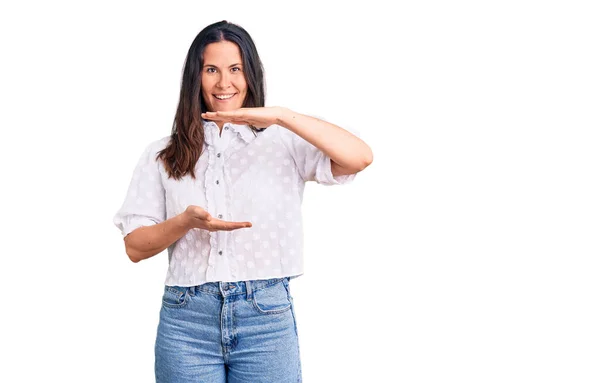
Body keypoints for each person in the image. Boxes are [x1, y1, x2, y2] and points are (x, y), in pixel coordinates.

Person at [113, 20, 373, 382]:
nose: (224, 83)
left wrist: (281, 115)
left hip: (265, 318)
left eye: (235, 69)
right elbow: (135, 248)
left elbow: (359, 157)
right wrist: (185, 222)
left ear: (251, 74)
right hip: (186, 321)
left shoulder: (284, 141)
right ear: (196, 77)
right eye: (211, 70)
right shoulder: (162, 153)